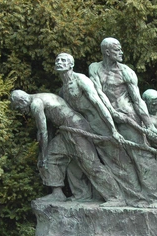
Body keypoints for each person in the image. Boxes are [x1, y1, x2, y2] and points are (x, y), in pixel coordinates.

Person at [55, 53, 146, 204]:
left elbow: (99, 104)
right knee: (90, 161)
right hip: (84, 128)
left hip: (100, 123)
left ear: (71, 65)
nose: (59, 62)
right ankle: (97, 195)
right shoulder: (63, 90)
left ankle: (135, 198)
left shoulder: (81, 80)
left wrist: (113, 130)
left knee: (117, 160)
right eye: (57, 60)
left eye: (63, 60)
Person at [88, 38, 157, 208]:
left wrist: (149, 125)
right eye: (117, 50)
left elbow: (138, 101)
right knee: (118, 159)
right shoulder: (94, 68)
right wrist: (111, 112)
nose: (121, 52)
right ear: (107, 52)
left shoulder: (127, 72)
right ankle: (134, 198)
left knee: (142, 156)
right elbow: (98, 93)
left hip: (129, 118)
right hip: (107, 118)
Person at [9, 90, 125, 207]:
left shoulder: (35, 104)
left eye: (18, 107)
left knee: (91, 164)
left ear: (22, 101)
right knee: (52, 156)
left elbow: (43, 132)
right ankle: (65, 194)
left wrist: (42, 155)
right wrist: (44, 154)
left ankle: (116, 197)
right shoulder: (40, 97)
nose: (20, 111)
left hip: (75, 127)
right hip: (66, 130)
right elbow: (49, 129)